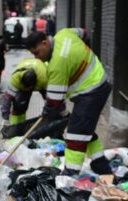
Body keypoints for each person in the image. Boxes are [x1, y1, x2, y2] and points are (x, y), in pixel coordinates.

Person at [26, 28, 111, 174]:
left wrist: (46, 113)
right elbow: (84, 33)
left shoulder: (57, 65)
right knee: (85, 130)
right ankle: (102, 168)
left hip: (91, 92)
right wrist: (83, 55)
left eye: (37, 53)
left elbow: (54, 102)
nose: (37, 58)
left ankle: (69, 177)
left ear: (45, 43)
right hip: (99, 80)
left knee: (75, 135)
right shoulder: (64, 33)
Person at [0, 58, 48, 125]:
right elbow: (7, 98)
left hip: (41, 72)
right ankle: (17, 127)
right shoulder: (16, 79)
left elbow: (52, 97)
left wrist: (46, 111)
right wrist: (5, 118)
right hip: (26, 67)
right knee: (19, 105)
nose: (27, 90)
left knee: (50, 104)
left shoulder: (44, 78)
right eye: (25, 88)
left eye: (29, 88)